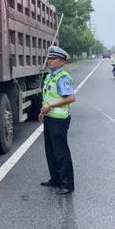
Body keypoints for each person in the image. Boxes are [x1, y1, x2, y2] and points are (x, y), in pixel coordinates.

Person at [39, 46, 77, 195]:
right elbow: (48, 97)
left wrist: (51, 106)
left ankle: (67, 184)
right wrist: (43, 111)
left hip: (59, 120)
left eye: (53, 59)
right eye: (49, 58)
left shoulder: (63, 77)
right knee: (50, 151)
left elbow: (71, 98)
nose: (49, 61)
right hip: (49, 118)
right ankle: (55, 178)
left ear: (62, 62)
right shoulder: (50, 76)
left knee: (61, 152)